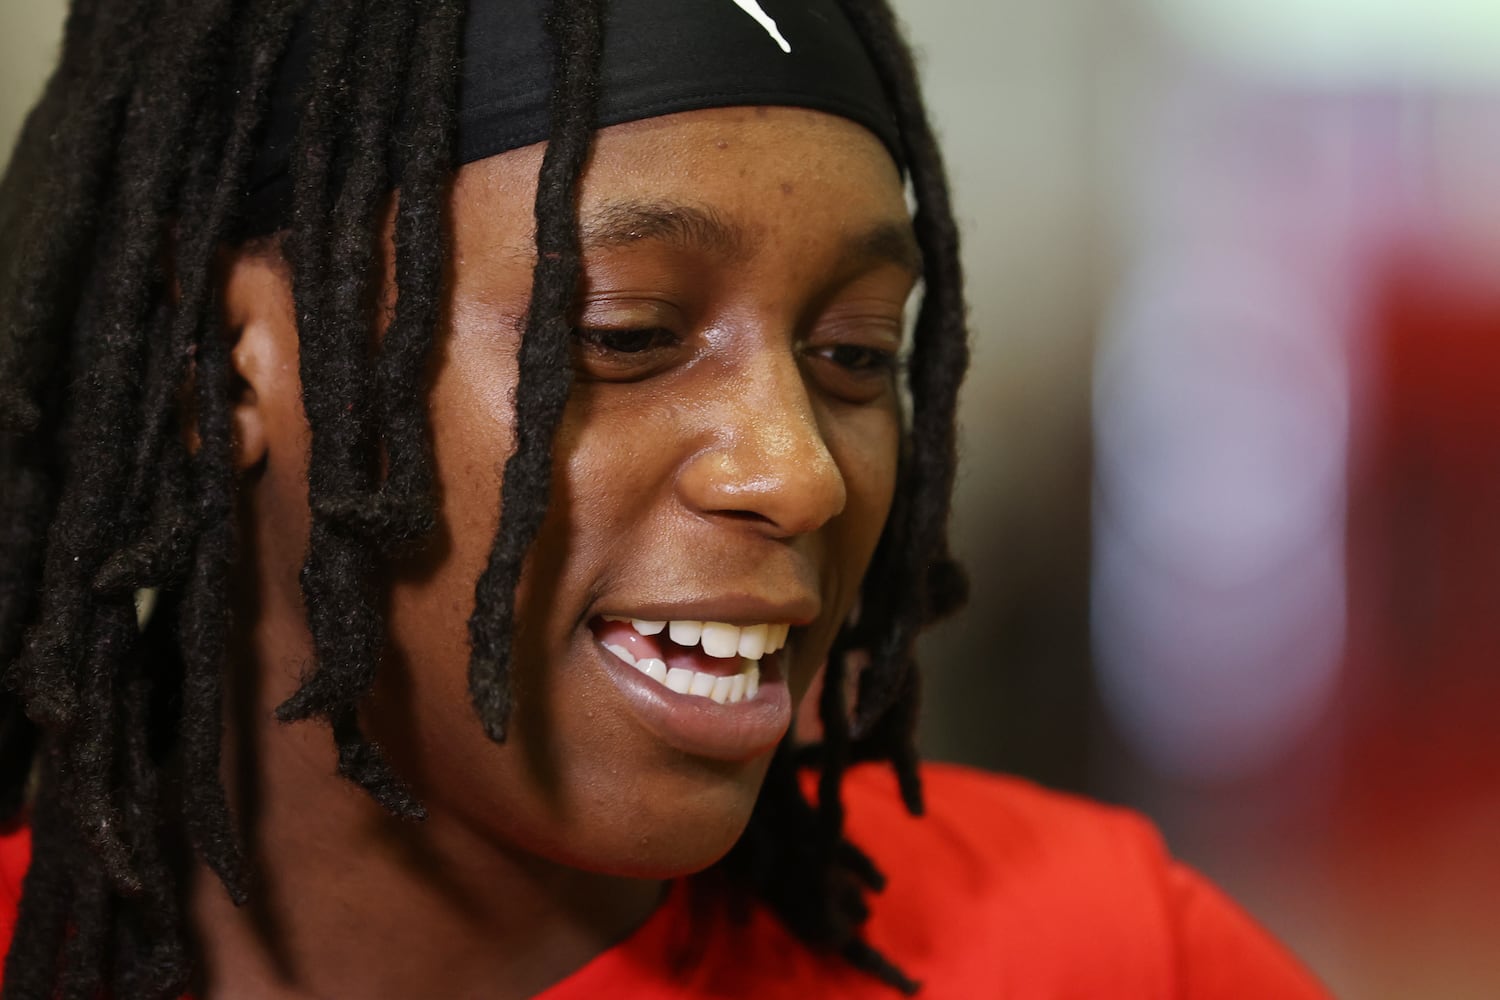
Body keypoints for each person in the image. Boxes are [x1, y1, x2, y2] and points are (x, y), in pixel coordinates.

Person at [0, 1, 1331, 997]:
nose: (796, 470)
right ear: (227, 364)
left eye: (857, 354)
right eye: (627, 335)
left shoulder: (1099, 951)